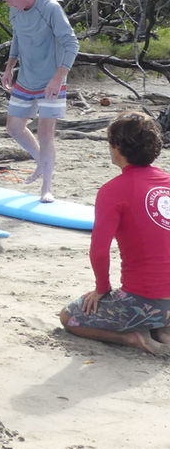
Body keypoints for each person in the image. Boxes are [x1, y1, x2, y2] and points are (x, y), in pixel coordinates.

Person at [60, 112, 170, 354]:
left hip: (144, 299)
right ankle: (162, 327)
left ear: (117, 146)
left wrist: (102, 288)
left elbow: (99, 251)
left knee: (69, 317)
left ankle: (135, 339)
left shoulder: (113, 191)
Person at [0, 0, 79, 203]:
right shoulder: (15, 10)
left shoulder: (50, 8)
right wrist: (9, 67)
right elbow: (17, 37)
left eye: (10, 0)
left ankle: (46, 187)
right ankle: (41, 163)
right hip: (26, 77)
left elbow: (72, 43)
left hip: (51, 79)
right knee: (14, 127)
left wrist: (58, 78)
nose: (9, 5)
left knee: (45, 133)